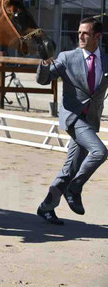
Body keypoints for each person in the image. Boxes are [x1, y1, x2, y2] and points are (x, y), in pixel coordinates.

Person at [36, 17, 108, 225]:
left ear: (97, 36)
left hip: (91, 120)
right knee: (100, 152)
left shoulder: (105, 59)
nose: (80, 37)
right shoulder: (67, 58)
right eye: (78, 33)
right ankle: (74, 189)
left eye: (85, 33)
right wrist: (44, 63)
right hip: (73, 118)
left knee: (71, 168)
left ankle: (46, 207)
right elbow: (43, 80)